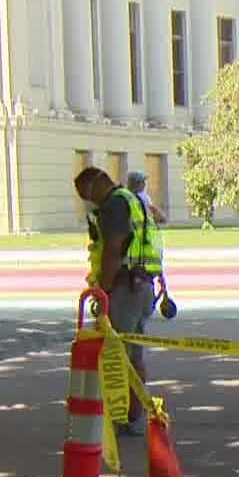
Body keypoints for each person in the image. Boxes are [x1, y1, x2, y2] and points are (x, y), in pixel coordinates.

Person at [75, 166, 163, 433]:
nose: (88, 202)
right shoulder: (130, 199)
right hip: (142, 283)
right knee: (133, 352)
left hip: (124, 287)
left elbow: (113, 248)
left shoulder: (113, 206)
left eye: (86, 195)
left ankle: (125, 416)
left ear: (97, 184)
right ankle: (132, 414)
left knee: (117, 354)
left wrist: (104, 289)